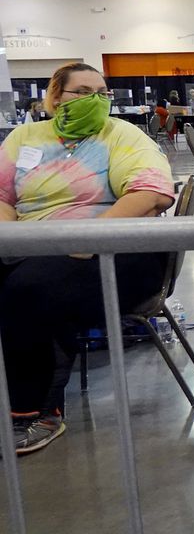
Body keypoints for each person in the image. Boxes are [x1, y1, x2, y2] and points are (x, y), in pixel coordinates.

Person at [0, 63, 175, 454]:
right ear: (56, 96)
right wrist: (10, 238)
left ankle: (35, 412)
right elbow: (2, 197)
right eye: (83, 91)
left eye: (102, 92)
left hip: (113, 249)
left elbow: (152, 194)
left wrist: (85, 239)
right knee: (24, 280)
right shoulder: (24, 137)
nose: (95, 99)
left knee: (31, 289)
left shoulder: (121, 135)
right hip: (33, 246)